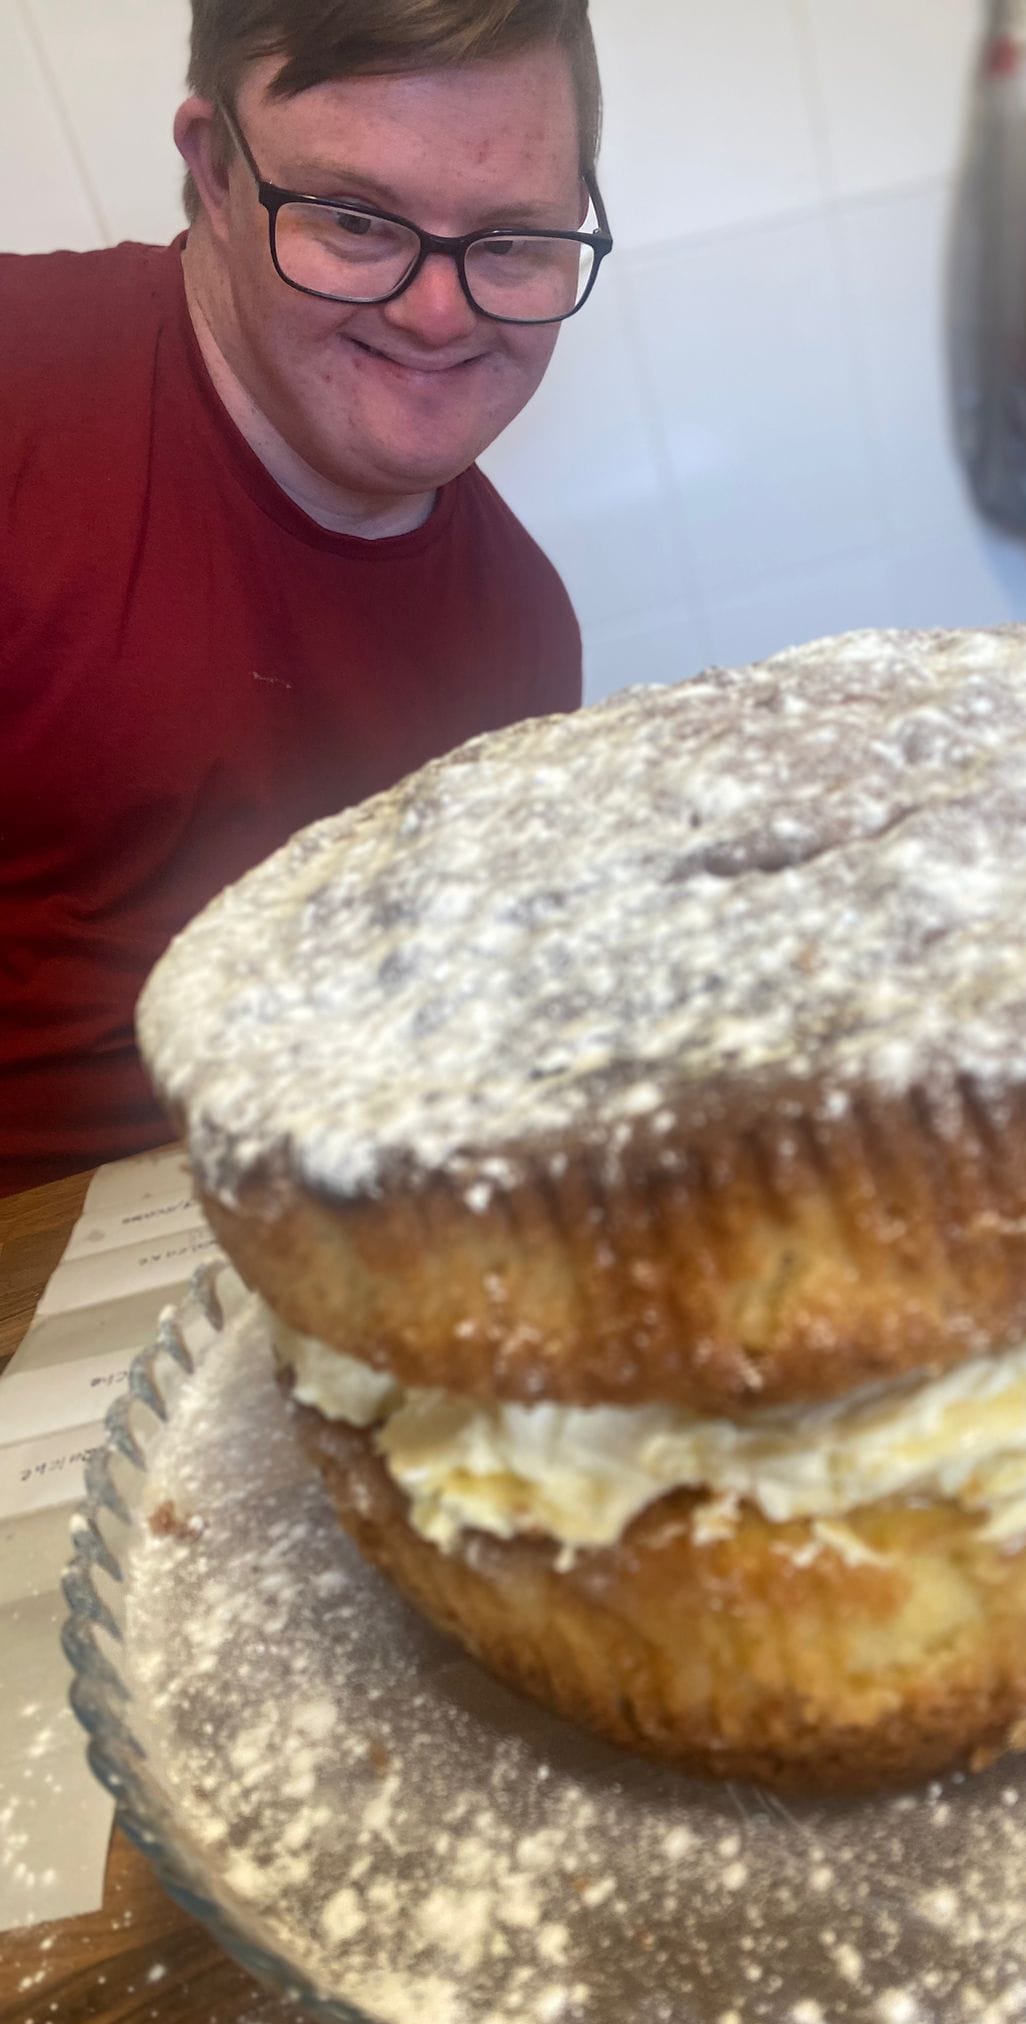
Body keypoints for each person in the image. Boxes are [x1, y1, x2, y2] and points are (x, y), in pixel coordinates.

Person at [0, 0, 609, 1196]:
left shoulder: (522, 635)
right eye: (355, 219)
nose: (439, 314)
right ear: (217, 172)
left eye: (512, 239)